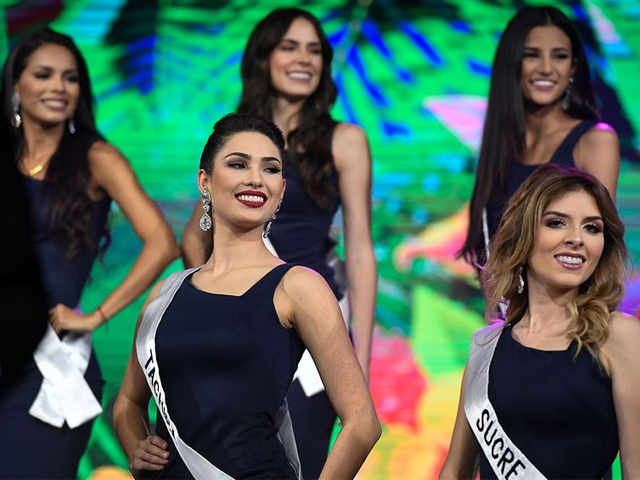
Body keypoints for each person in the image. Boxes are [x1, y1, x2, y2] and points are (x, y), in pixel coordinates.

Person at [113, 113, 380, 480]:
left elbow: (362, 423)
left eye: (270, 169)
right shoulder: (165, 293)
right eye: (238, 164)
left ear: (282, 190)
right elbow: (128, 402)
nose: (255, 178)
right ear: (205, 181)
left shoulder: (298, 286)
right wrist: (136, 447)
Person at [181, 8, 377, 478]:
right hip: (237, 326)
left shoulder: (345, 140)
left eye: (314, 50)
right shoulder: (236, 137)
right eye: (290, 46)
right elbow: (194, 235)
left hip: (308, 327)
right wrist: (214, 303)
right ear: (264, 56)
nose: (304, 58)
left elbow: (362, 253)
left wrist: (360, 363)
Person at [0, 28, 179, 479]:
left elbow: (161, 241)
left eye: (70, 77)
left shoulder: (96, 158)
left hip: (50, 368)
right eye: (43, 75)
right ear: (16, 85)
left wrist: (96, 316)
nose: (59, 87)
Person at [439, 165, 640, 479]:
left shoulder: (619, 336)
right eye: (557, 223)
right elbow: (455, 470)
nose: (576, 239)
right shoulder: (485, 347)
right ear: (523, 235)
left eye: (592, 228)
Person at [460, 6, 620, 268]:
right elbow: (487, 250)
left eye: (559, 56)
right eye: (532, 55)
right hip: (504, 307)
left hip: (570, 307)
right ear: (513, 64)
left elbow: (598, 247)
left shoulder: (594, 141)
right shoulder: (497, 148)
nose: (546, 68)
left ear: (572, 68)